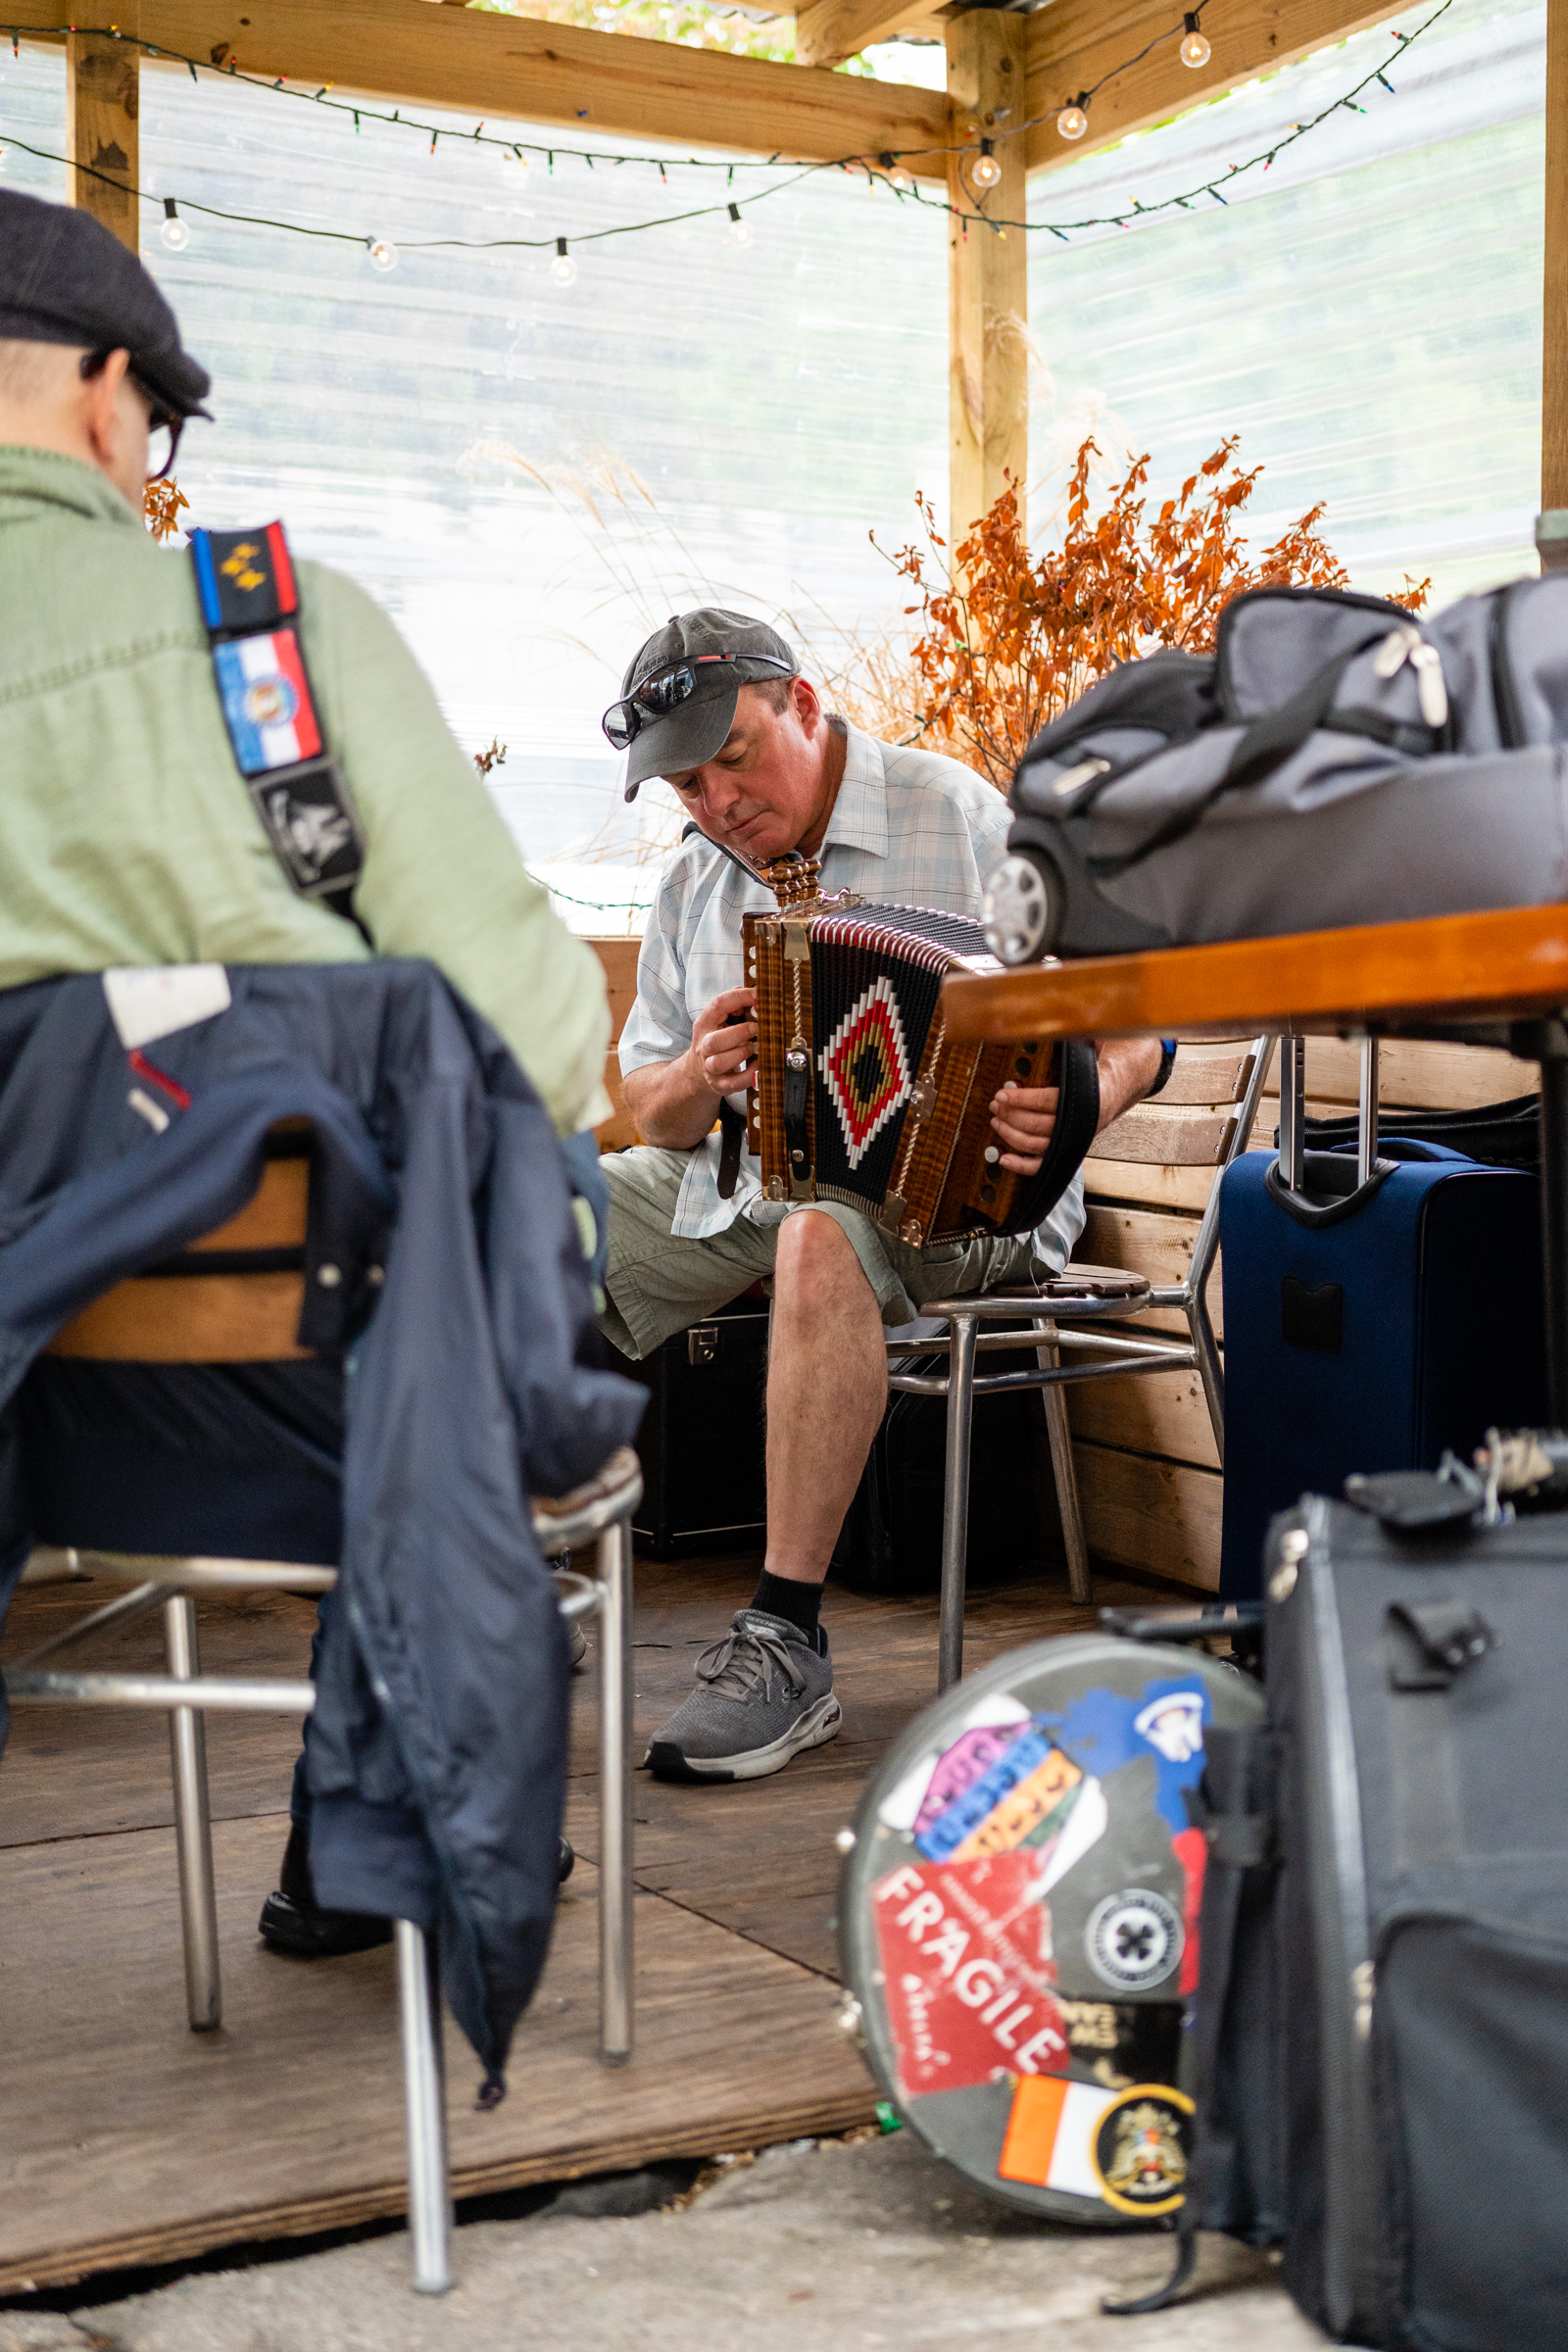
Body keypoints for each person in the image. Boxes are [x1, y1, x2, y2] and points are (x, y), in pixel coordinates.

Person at [0, 188, 612, 1950]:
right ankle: (383, 1821)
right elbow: (538, 1037)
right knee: (445, 1254)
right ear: (111, 395)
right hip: (301, 1402)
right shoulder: (266, 632)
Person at [601, 609, 1170, 1786]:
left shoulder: (959, 816)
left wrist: (1077, 1107)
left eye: (735, 759)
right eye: (688, 787)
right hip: (739, 1181)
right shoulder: (691, 887)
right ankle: (489, 1588)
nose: (716, 804)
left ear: (802, 705)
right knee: (520, 1213)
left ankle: (785, 1640)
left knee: (824, 1225)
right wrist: (695, 1080)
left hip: (971, 1202)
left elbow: (1137, 1024)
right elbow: (647, 1110)